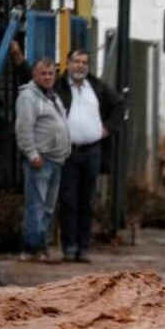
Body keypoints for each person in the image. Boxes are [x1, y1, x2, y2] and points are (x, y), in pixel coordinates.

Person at [54, 50, 126, 263]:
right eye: (76, 61)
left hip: (92, 151)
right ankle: (69, 247)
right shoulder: (59, 86)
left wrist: (107, 129)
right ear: (68, 63)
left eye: (84, 62)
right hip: (68, 152)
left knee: (86, 200)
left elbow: (120, 105)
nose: (80, 66)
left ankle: (83, 247)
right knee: (67, 200)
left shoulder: (97, 86)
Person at [15, 58, 71, 262]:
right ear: (34, 75)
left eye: (51, 73)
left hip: (55, 159)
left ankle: (40, 246)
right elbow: (24, 127)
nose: (48, 77)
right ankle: (31, 248)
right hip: (41, 159)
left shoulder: (52, 96)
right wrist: (32, 153)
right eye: (43, 74)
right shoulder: (29, 97)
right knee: (36, 205)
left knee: (47, 207)